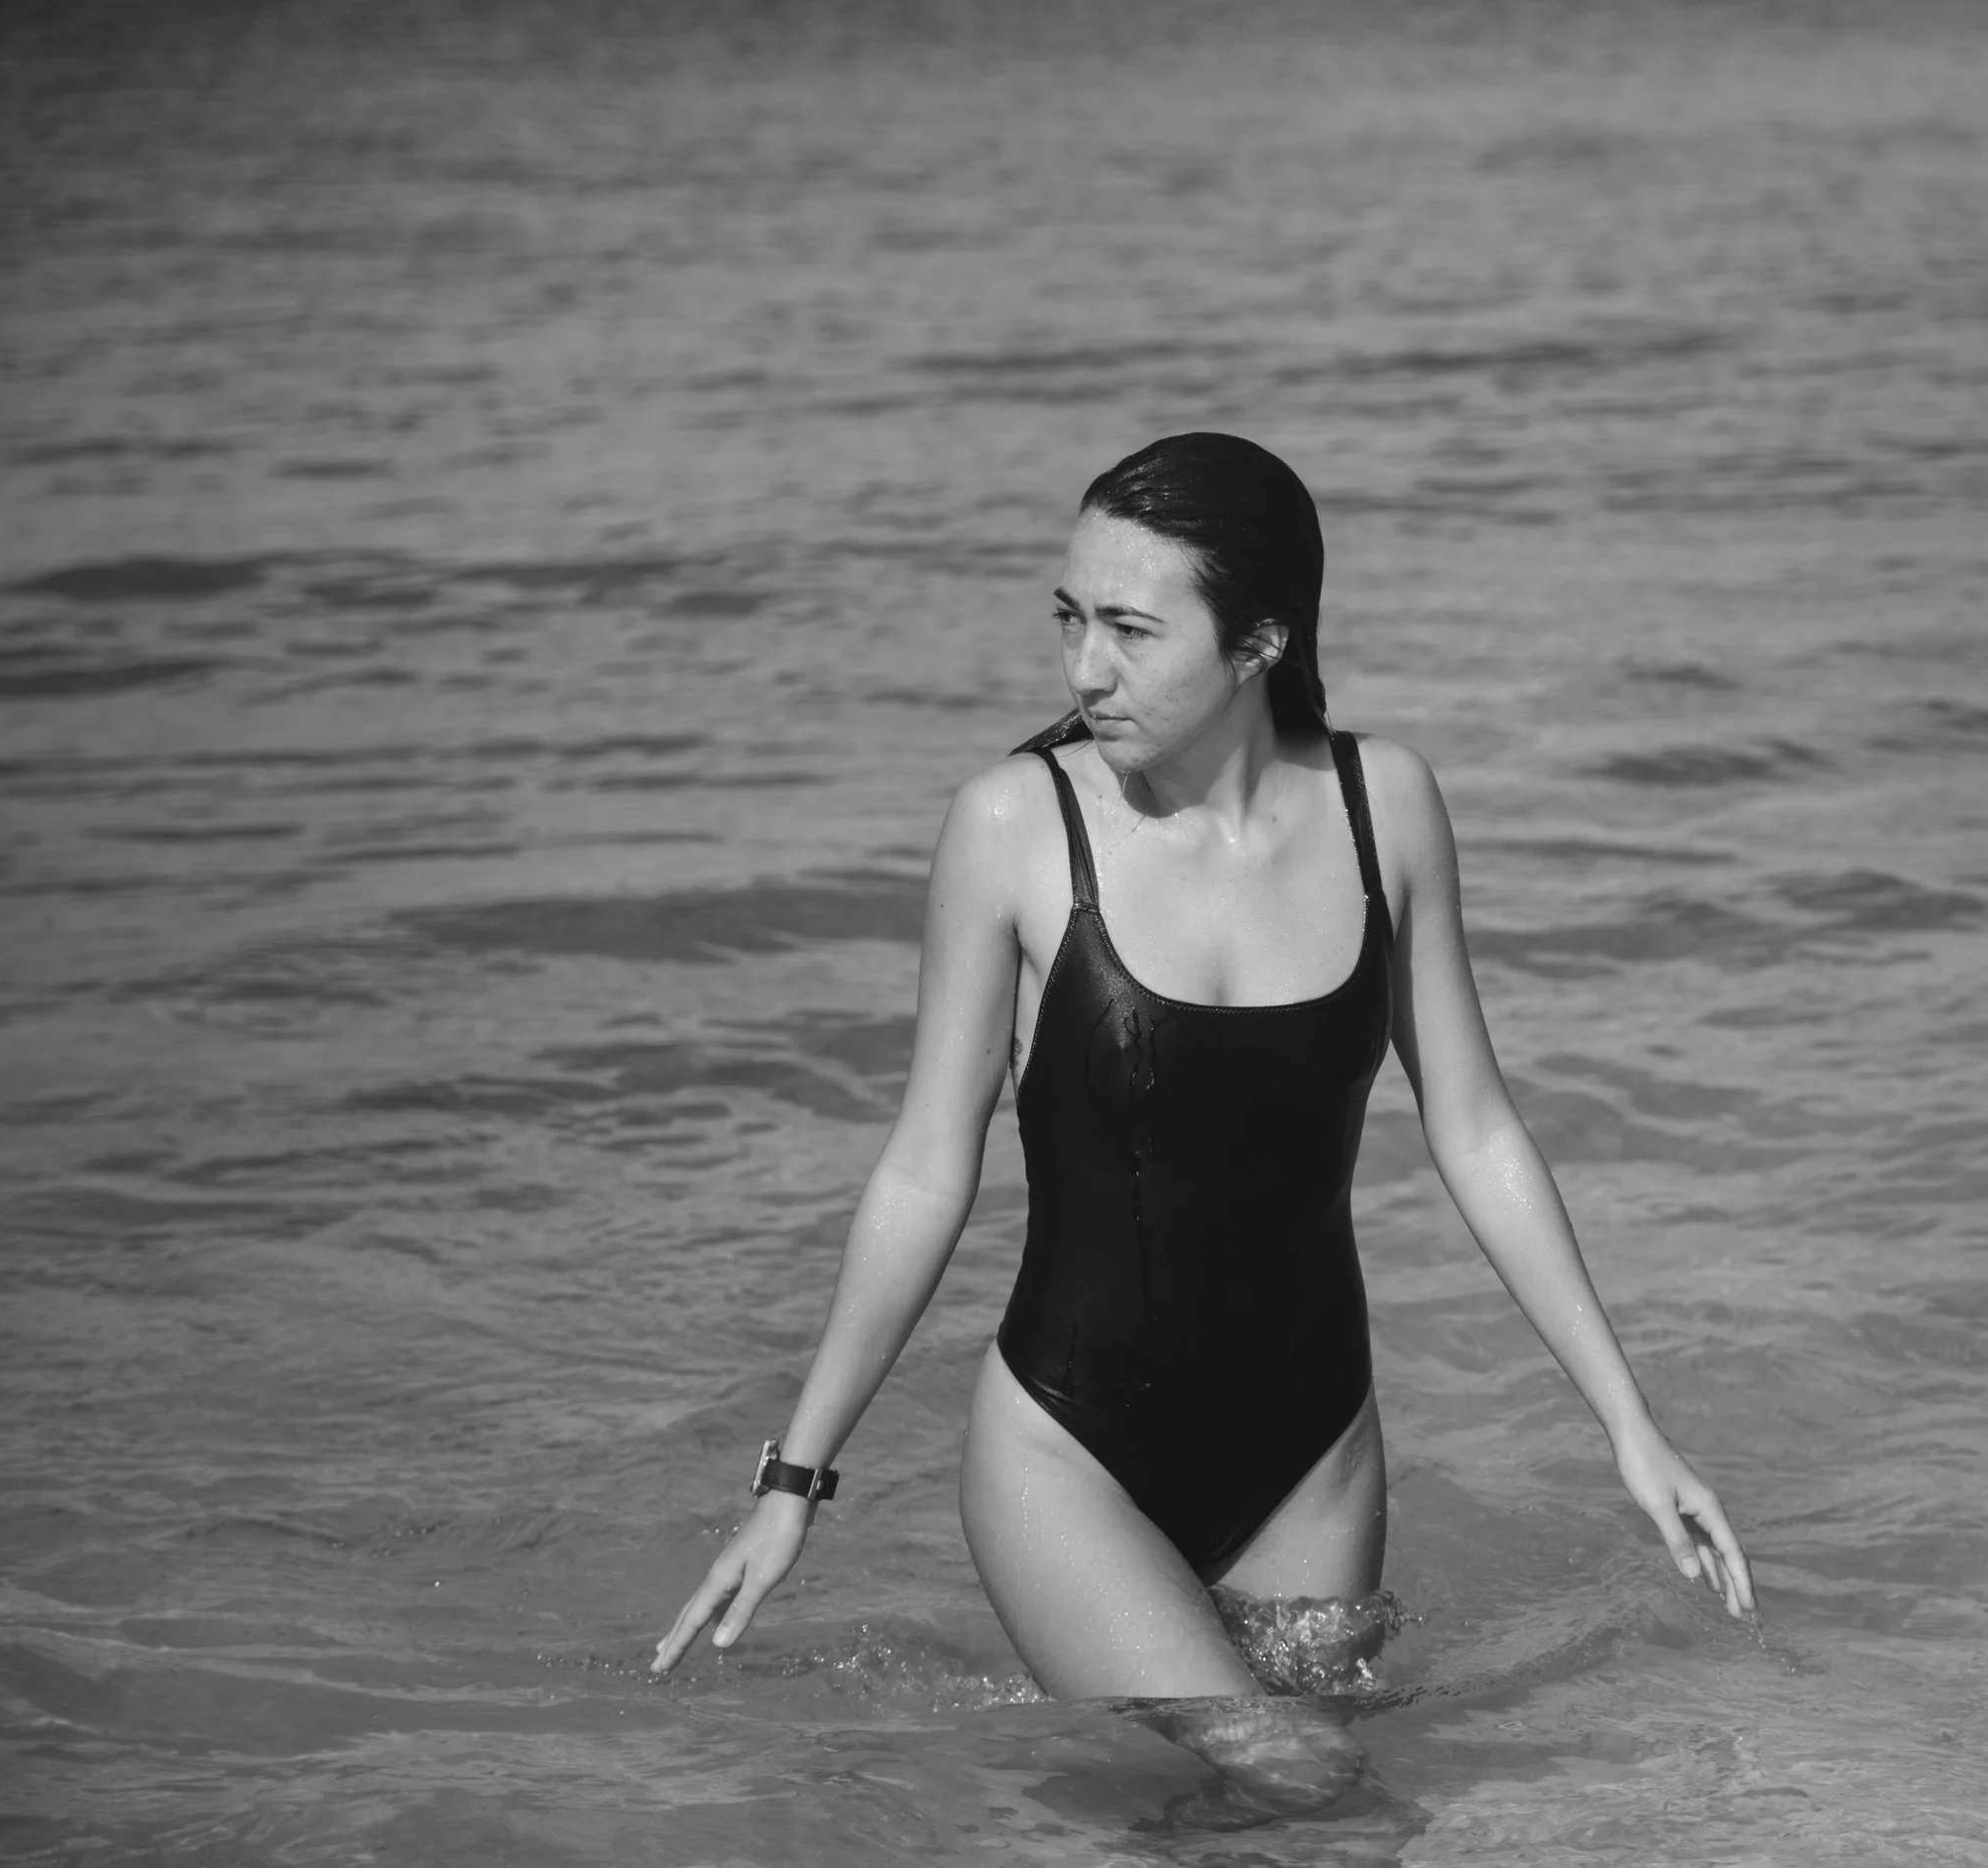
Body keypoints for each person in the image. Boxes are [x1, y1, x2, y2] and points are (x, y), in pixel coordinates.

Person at [651, 432, 1753, 1817]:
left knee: (1259, 1837)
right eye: (1069, 620)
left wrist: (1629, 1426)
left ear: (1259, 642)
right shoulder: (1015, 826)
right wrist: (791, 1483)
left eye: (1128, 628)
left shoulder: (1385, 806)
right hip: (1068, 1450)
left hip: (1314, 1454)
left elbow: (1476, 1133)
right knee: (1312, 1780)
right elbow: (929, 1167)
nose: (1082, 671)